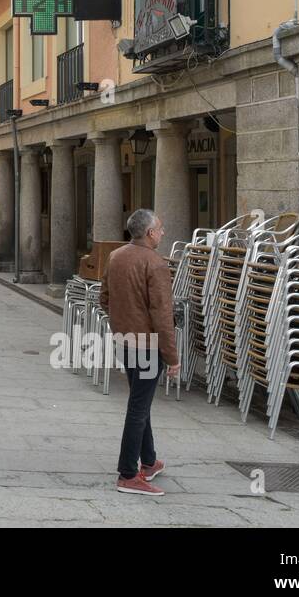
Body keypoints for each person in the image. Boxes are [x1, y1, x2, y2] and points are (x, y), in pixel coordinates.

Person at [100, 208, 179, 496]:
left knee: (139, 403)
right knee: (137, 409)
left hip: (124, 341)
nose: (163, 232)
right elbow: (162, 314)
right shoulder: (155, 264)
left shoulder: (116, 256)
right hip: (147, 346)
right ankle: (128, 474)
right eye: (160, 228)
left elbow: (104, 298)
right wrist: (172, 357)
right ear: (149, 233)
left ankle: (149, 461)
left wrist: (120, 325)